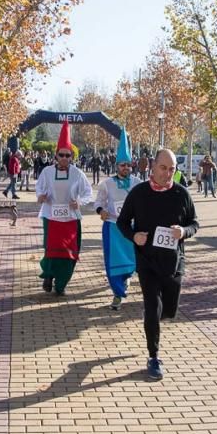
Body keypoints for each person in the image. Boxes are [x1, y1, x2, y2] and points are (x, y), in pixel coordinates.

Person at [116, 149, 198, 381]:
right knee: (153, 307)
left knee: (168, 310)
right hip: (147, 261)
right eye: (164, 168)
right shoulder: (139, 193)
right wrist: (134, 236)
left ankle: (153, 319)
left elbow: (194, 223)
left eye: (172, 169)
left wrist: (184, 231)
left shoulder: (182, 194)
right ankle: (153, 357)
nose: (168, 173)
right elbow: (122, 222)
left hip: (173, 262)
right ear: (153, 167)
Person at [35, 124, 92, 295]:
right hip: (51, 218)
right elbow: (40, 188)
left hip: (71, 219)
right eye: (62, 155)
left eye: (68, 155)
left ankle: (62, 283)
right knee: (51, 251)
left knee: (70, 253)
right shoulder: (46, 172)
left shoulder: (77, 173)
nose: (65, 158)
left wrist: (79, 202)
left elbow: (88, 193)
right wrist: (41, 196)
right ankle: (49, 275)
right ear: (56, 155)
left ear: (72, 156)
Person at [95, 129, 137, 310]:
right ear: (116, 166)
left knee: (132, 260)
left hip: (132, 228)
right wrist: (100, 211)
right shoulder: (107, 184)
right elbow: (99, 202)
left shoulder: (138, 183)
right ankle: (117, 294)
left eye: (128, 165)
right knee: (112, 262)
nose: (125, 168)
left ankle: (127, 278)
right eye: (122, 165)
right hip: (112, 227)